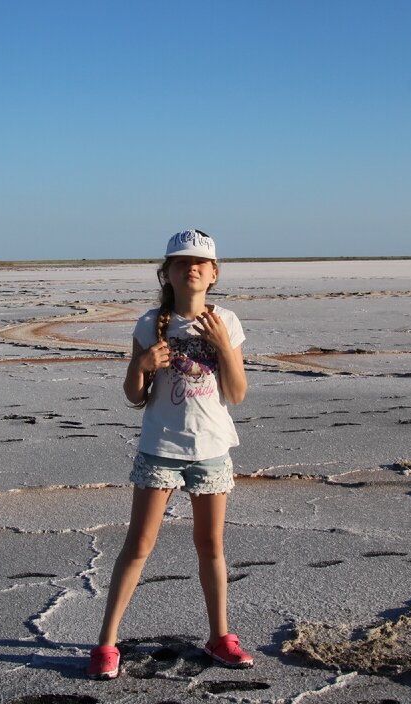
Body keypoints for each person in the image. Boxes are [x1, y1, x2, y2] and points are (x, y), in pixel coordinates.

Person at [88, 229, 253, 681]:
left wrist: (222, 345)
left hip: (211, 448)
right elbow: (134, 395)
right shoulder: (149, 324)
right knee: (138, 545)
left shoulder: (227, 321)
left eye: (200, 262)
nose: (191, 268)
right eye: (181, 262)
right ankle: (106, 643)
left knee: (211, 545)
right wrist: (139, 366)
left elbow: (237, 393)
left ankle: (220, 637)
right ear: (167, 273)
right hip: (160, 447)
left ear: (214, 273)